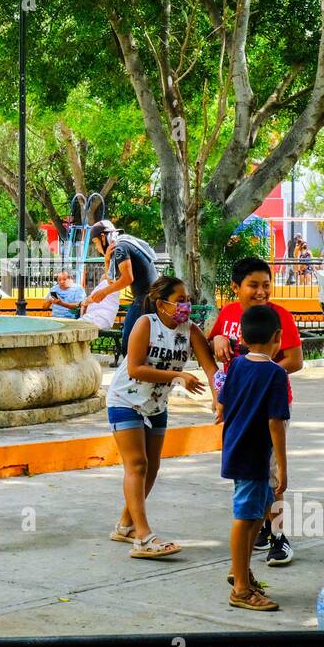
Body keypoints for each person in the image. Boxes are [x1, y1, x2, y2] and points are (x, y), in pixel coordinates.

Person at [106, 275, 220, 559]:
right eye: (180, 300)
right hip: (126, 399)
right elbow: (134, 369)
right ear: (161, 304)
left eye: (188, 300)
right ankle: (143, 538)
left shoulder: (189, 330)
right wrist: (178, 375)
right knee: (137, 464)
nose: (186, 306)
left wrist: (219, 398)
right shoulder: (146, 324)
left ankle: (125, 525)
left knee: (153, 467)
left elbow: (210, 368)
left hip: (156, 404)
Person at [209, 257, 303, 566]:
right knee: (249, 473)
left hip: (271, 403)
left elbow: (295, 360)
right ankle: (258, 528)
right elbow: (216, 342)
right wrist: (220, 337)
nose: (261, 291)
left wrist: (263, 376)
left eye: (266, 284)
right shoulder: (228, 314)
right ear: (236, 288)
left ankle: (277, 534)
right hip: (240, 407)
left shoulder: (280, 317)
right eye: (253, 285)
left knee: (272, 471)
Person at [217, 305, 291, 611]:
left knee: (258, 512)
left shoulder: (236, 365)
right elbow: (276, 423)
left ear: (243, 337)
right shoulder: (275, 373)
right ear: (278, 336)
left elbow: (222, 402)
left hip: (238, 448)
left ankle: (241, 569)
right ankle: (241, 588)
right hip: (254, 455)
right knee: (245, 518)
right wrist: (283, 467)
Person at [80, 220, 159, 357]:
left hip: (146, 299)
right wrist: (106, 260)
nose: (97, 247)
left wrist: (103, 293)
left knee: (129, 344)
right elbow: (112, 281)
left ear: (103, 237)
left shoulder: (120, 248)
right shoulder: (121, 245)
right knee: (136, 343)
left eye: (95, 242)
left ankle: (135, 374)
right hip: (148, 298)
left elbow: (128, 279)